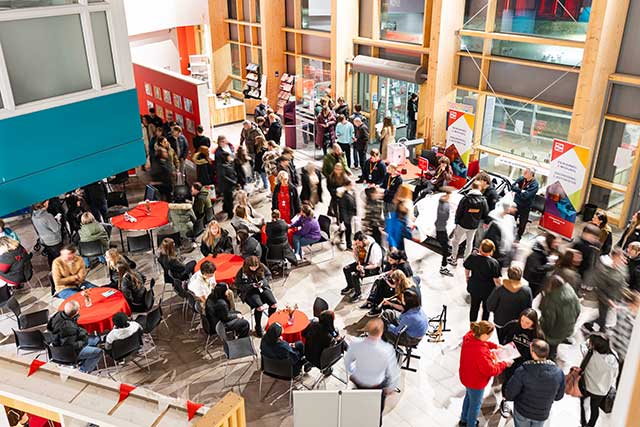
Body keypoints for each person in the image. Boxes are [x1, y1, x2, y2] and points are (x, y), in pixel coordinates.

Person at [344, 318, 400, 427]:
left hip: (359, 383)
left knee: (359, 409)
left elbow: (347, 362)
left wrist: (354, 372)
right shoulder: (387, 349)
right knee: (377, 413)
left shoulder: (356, 344)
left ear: (367, 330)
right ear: (382, 332)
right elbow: (393, 372)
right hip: (377, 386)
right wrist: (391, 387)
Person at [458, 321, 510, 427]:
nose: (489, 338)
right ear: (484, 335)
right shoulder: (480, 352)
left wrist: (495, 346)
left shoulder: (470, 336)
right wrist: (504, 364)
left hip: (466, 377)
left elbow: (483, 343)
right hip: (476, 382)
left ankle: (463, 420)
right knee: (475, 405)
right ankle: (471, 424)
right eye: (489, 336)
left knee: (468, 398)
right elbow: (490, 370)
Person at [504, 339, 565, 427]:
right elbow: (559, 396)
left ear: (533, 353)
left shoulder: (523, 370)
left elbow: (509, 394)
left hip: (522, 412)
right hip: (542, 414)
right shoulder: (558, 372)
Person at [47, 301, 102, 373]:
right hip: (70, 353)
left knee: (95, 339)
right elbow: (71, 346)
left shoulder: (58, 315)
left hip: (56, 349)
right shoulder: (69, 327)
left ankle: (85, 360)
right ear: (76, 312)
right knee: (98, 351)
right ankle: (83, 371)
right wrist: (83, 341)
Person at [579, 333, 619, 427]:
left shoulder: (590, 355)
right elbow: (615, 375)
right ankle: (591, 425)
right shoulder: (613, 357)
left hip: (587, 387)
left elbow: (582, 345)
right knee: (594, 408)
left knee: (582, 403)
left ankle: (583, 422)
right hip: (601, 391)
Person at [584, 248, 628, 332]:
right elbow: (599, 288)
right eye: (619, 257)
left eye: (622, 258)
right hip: (605, 297)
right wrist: (608, 300)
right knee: (603, 317)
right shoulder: (604, 269)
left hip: (615, 297)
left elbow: (623, 281)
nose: (621, 260)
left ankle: (590, 323)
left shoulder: (622, 268)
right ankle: (600, 332)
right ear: (613, 257)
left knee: (603, 316)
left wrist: (624, 293)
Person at [539, 275, 581, 360]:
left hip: (555, 331)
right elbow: (578, 310)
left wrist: (542, 327)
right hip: (568, 327)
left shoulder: (552, 299)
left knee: (550, 346)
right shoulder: (571, 291)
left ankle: (549, 358)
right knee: (557, 342)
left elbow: (549, 321)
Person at [235, 256, 277, 337]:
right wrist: (251, 285)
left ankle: (270, 322)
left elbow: (268, 275)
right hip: (249, 292)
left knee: (274, 304)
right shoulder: (242, 271)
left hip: (262, 288)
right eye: (252, 267)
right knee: (259, 307)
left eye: (255, 267)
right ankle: (258, 326)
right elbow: (238, 285)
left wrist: (263, 282)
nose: (254, 269)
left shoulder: (261, 266)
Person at [450, 181, 488, 264]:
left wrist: (456, 222)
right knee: (469, 243)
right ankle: (466, 260)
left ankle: (453, 258)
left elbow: (459, 211)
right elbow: (485, 213)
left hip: (462, 224)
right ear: (480, 188)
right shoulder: (483, 200)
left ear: (471, 187)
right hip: (473, 226)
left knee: (456, 241)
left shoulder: (465, 198)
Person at [464, 239, 502, 322]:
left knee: (474, 307)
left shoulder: (473, 257)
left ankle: (472, 326)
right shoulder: (494, 263)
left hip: (475, 288)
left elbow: (467, 268)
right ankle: (483, 326)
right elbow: (496, 280)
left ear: (480, 247)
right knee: (486, 309)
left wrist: (467, 278)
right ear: (491, 251)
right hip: (488, 291)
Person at [341, 231, 383, 303]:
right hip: (363, 262)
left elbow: (375, 265)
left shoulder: (374, 248)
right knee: (346, 268)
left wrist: (363, 268)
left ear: (364, 240)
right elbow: (358, 259)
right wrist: (355, 251)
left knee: (355, 275)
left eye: (358, 243)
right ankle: (351, 286)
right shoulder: (361, 244)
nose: (357, 245)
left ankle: (358, 294)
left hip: (372, 267)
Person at [523, 232, 559, 297]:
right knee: (531, 294)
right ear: (549, 242)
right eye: (555, 242)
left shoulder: (547, 250)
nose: (556, 245)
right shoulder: (537, 253)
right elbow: (537, 268)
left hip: (539, 279)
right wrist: (550, 265)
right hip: (534, 280)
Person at [482, 201, 517, 268]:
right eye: (513, 207)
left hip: (504, 254)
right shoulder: (496, 224)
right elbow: (493, 241)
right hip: (498, 256)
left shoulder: (509, 219)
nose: (515, 209)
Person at [611, 289, 639, 367]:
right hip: (620, 354)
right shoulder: (631, 320)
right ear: (633, 304)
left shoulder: (620, 311)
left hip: (615, 352)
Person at [31, 201, 63, 267]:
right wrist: (58, 220)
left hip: (44, 241)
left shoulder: (33, 216)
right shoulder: (47, 216)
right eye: (47, 202)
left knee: (51, 257)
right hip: (54, 241)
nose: (48, 203)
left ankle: (52, 270)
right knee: (59, 259)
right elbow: (56, 229)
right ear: (44, 204)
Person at [513, 168, 539, 240]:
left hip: (525, 206)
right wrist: (521, 191)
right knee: (512, 218)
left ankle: (519, 236)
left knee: (522, 223)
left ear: (531, 174)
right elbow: (512, 186)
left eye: (526, 172)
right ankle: (511, 231)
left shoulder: (535, 184)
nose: (524, 172)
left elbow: (526, 196)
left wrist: (518, 191)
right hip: (516, 203)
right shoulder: (522, 178)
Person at [435, 187, 454, 276]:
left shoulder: (442, 201)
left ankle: (446, 261)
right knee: (445, 250)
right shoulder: (445, 204)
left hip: (441, 228)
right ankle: (443, 268)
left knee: (446, 248)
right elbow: (444, 217)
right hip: (441, 229)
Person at [218, 151, 238, 219]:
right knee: (229, 200)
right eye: (228, 156)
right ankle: (230, 214)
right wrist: (233, 182)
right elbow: (224, 177)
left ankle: (226, 209)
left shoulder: (228, 164)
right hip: (227, 186)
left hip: (230, 185)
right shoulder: (221, 166)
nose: (230, 157)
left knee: (228, 199)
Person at [338, 180, 357, 250]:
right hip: (348, 217)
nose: (354, 185)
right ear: (347, 186)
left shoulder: (353, 193)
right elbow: (343, 209)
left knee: (351, 231)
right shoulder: (344, 196)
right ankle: (348, 245)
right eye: (352, 184)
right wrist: (345, 220)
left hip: (352, 215)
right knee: (348, 231)